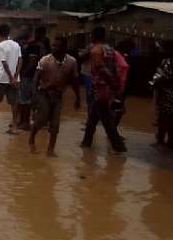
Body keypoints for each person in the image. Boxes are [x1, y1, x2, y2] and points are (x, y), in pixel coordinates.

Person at [28, 37, 81, 157]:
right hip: (44, 93)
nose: (54, 48)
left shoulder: (72, 62)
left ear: (64, 48)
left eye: (57, 46)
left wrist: (78, 98)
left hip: (58, 96)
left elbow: (74, 81)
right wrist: (34, 94)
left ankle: (50, 150)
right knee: (41, 120)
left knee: (55, 124)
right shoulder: (45, 60)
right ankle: (31, 139)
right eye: (53, 45)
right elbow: (36, 78)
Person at [80, 27, 127, 155]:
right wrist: (115, 85)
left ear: (93, 36)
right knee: (92, 118)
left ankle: (119, 147)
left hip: (101, 88)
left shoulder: (95, 50)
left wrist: (112, 83)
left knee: (106, 120)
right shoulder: (110, 49)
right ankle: (86, 143)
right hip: (106, 88)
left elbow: (101, 68)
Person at [150, 40, 173, 151]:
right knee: (170, 118)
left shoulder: (172, 62)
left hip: (171, 95)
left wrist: (163, 80)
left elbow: (159, 77)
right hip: (172, 95)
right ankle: (169, 140)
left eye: (165, 48)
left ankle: (168, 140)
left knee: (168, 118)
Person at [17, 30, 42, 130]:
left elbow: (32, 63)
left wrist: (23, 74)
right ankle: (22, 121)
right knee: (22, 100)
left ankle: (25, 123)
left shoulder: (33, 47)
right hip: (25, 76)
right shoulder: (28, 46)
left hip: (27, 77)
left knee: (25, 101)